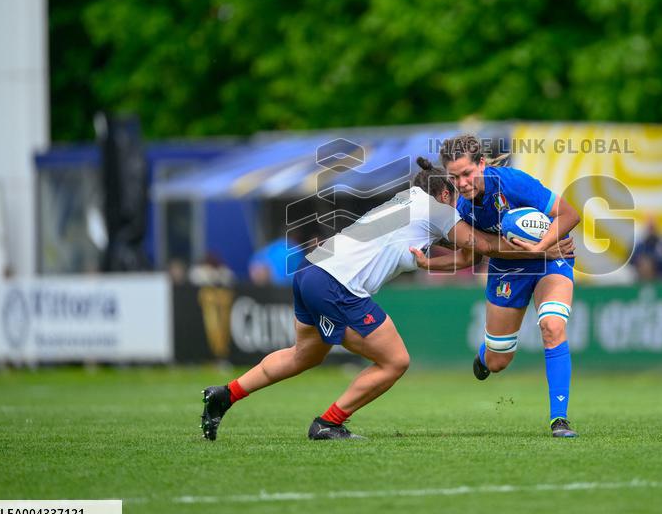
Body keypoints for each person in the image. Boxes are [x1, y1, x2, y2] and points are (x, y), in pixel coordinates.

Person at [200, 158, 573, 441]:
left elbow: (463, 254)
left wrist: (441, 259)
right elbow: (484, 246)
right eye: (455, 192)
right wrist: (547, 247)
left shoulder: (405, 202)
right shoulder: (437, 210)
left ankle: (226, 394)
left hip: (310, 271)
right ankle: (328, 423)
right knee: (395, 361)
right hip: (337, 284)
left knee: (305, 354)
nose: (460, 201)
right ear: (444, 193)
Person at [434, 134, 581, 438]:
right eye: (454, 177)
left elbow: (570, 214)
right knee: (499, 359)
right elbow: (472, 256)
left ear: (481, 164)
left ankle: (560, 419)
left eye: (467, 173)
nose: (462, 183)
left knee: (552, 325)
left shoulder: (512, 182)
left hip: (552, 257)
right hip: (507, 269)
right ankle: (485, 355)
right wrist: (426, 263)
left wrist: (541, 246)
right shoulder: (462, 209)